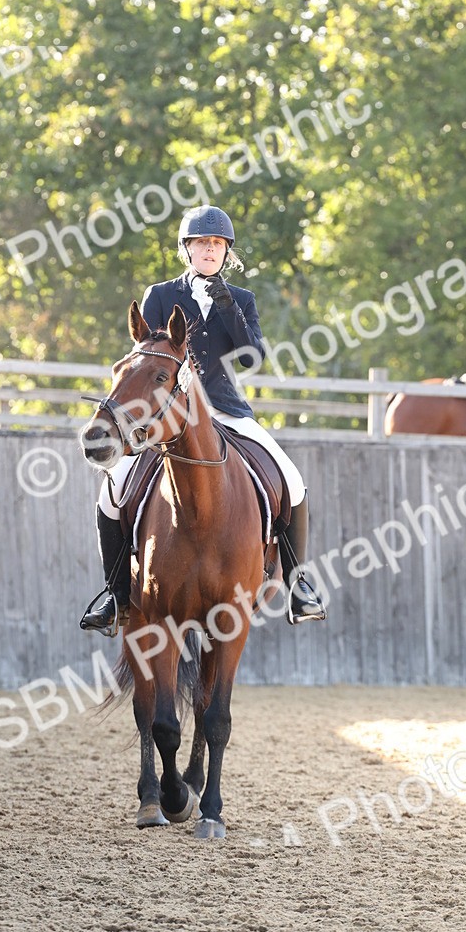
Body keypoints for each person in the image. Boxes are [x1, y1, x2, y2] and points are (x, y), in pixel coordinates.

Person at [80, 203, 327, 635]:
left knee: (292, 478)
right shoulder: (161, 295)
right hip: (169, 413)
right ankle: (114, 593)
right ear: (188, 249)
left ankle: (297, 583)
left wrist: (229, 306)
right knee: (113, 487)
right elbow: (147, 354)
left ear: (225, 253)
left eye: (216, 245)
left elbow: (252, 358)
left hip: (226, 409)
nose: (209, 250)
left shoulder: (242, 299)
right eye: (201, 243)